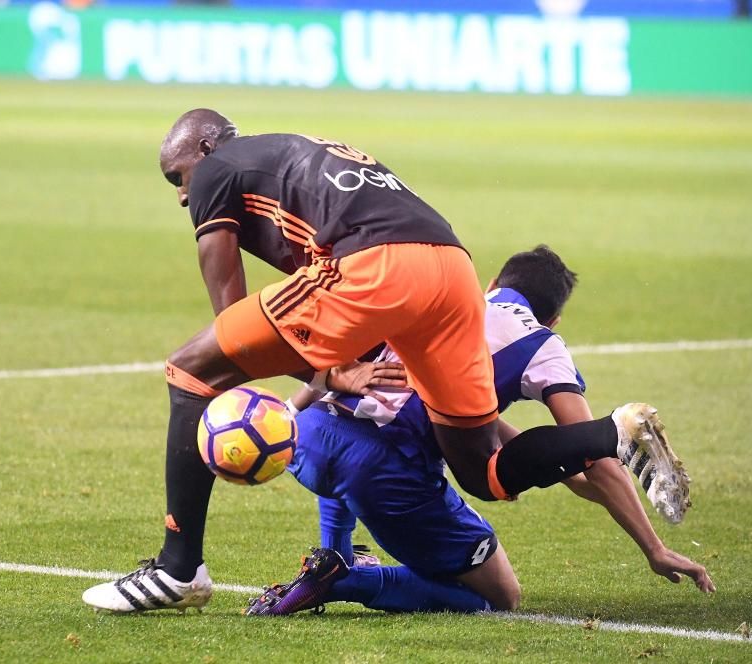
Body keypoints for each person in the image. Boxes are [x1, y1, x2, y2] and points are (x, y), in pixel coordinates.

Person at [81, 110, 687, 613]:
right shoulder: (291, 156)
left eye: (176, 176)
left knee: (191, 369)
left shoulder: (217, 170)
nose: (183, 192)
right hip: (451, 266)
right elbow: (321, 298)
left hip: (378, 263)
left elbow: (231, 320)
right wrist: (334, 366)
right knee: (484, 471)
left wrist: (319, 374)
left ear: (207, 147)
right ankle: (616, 429)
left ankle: (179, 568)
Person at [243, 246, 711, 616]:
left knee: (362, 435)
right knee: (500, 595)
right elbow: (597, 459)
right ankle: (345, 580)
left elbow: (484, 421)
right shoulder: (543, 344)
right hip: (385, 473)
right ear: (553, 320)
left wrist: (563, 470)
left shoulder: (449, 292)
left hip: (306, 436)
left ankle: (333, 554)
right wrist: (653, 547)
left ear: (493, 284)